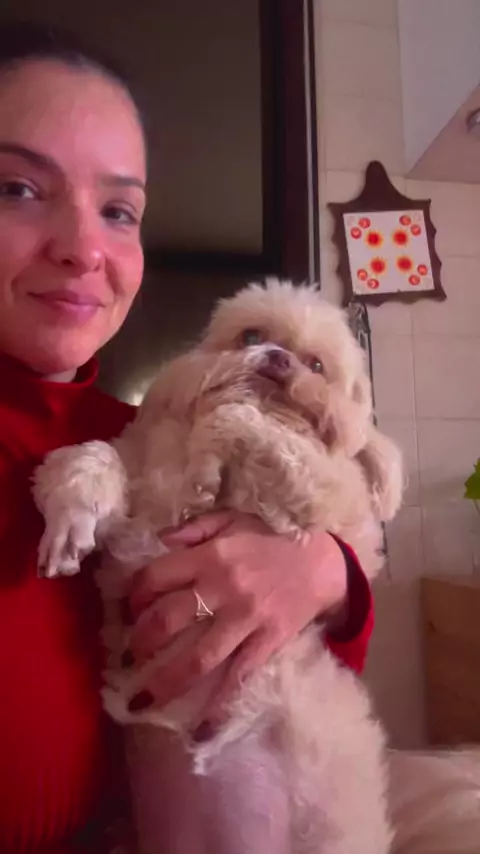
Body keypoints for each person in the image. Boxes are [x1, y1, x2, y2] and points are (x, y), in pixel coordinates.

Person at [0, 21, 374, 854]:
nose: (83, 250)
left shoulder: (143, 440)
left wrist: (326, 572)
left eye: (119, 210)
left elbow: (315, 679)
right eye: (18, 189)